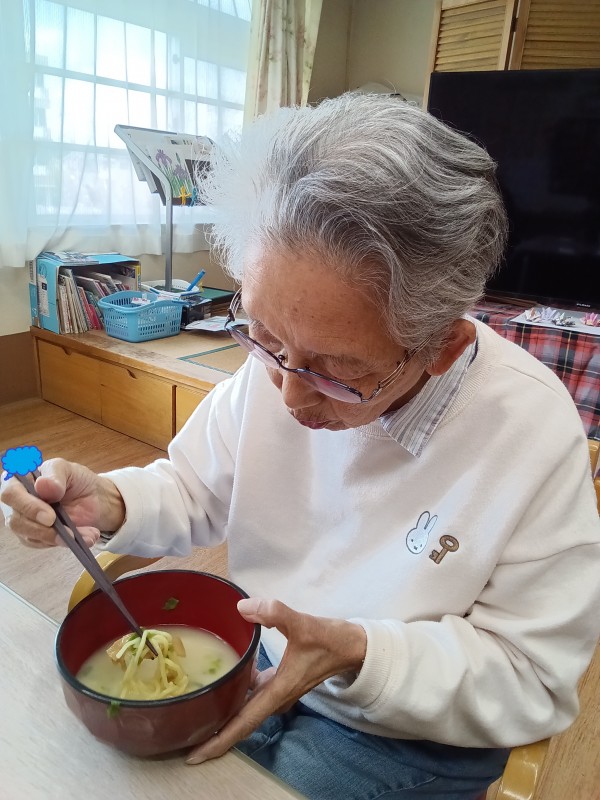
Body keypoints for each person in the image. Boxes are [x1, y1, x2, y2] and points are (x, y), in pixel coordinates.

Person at [3, 94, 600, 800]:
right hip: (258, 661)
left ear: (442, 347)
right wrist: (110, 500)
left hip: (406, 729)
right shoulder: (287, 360)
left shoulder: (528, 428)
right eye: (262, 336)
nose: (288, 396)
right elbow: (194, 489)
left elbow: (529, 678)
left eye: (336, 371)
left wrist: (358, 654)